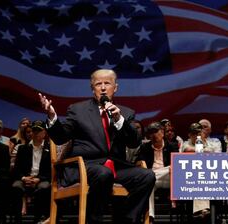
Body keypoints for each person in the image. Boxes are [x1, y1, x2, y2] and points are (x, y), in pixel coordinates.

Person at [38, 69, 155, 224]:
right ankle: (92, 220)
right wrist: (52, 117)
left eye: (107, 83)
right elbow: (61, 138)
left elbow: (134, 142)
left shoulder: (126, 113)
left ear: (116, 87)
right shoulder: (78, 110)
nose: (103, 87)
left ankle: (126, 220)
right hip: (86, 166)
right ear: (92, 89)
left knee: (147, 176)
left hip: (116, 167)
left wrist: (119, 120)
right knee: (103, 173)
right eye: (98, 84)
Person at [136, 122, 178, 222]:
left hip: (169, 179)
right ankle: (150, 217)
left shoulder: (172, 146)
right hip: (154, 180)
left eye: (156, 131)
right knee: (148, 183)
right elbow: (138, 164)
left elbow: (178, 164)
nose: (154, 135)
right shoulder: (144, 147)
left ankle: (153, 174)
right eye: (151, 132)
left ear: (162, 132)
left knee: (172, 168)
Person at [12, 120, 51, 223]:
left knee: (44, 187)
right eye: (34, 130)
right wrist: (24, 178)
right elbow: (16, 170)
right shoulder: (22, 149)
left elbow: (51, 171)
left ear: (44, 133)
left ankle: (37, 219)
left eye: (39, 130)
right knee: (16, 186)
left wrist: (38, 179)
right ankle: (18, 220)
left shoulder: (51, 149)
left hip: (41, 179)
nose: (36, 133)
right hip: (25, 178)